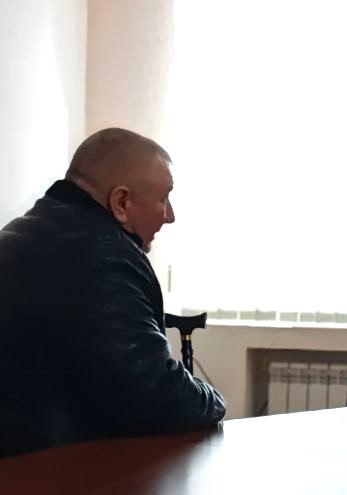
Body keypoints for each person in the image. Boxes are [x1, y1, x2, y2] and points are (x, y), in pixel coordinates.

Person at [0, 128, 226, 459]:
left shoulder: (19, 233)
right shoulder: (100, 254)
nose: (170, 216)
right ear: (121, 202)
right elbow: (159, 395)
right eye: (163, 199)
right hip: (51, 478)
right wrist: (215, 399)